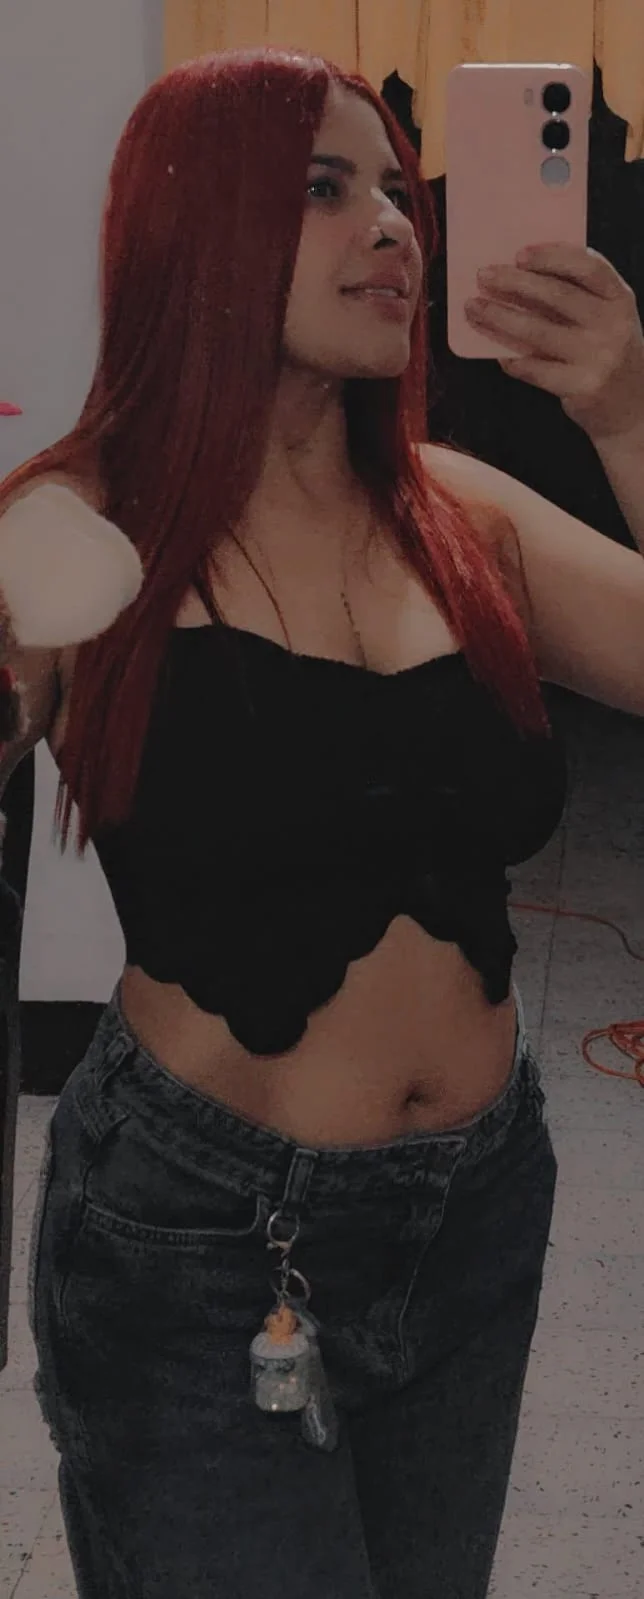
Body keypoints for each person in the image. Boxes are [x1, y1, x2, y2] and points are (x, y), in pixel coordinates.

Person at [2, 47, 644, 1599]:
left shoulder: (459, 512)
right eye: (322, 186)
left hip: (477, 1210)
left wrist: (629, 415)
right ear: (193, 225)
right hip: (201, 1241)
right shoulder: (82, 527)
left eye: (399, 194)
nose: (394, 228)